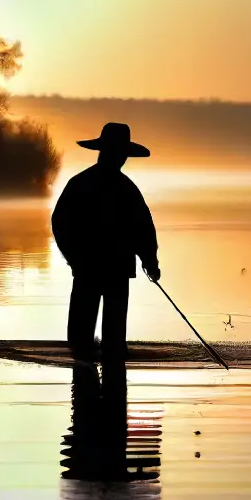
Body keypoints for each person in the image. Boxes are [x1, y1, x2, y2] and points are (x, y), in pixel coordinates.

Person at [50, 122, 160, 361]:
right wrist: (149, 260)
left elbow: (143, 230)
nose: (120, 158)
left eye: (122, 154)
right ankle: (107, 389)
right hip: (98, 268)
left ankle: (89, 387)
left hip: (99, 269)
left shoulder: (84, 184)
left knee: (92, 341)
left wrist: (150, 260)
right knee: (105, 341)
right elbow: (144, 230)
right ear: (109, 152)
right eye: (118, 153)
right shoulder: (123, 188)